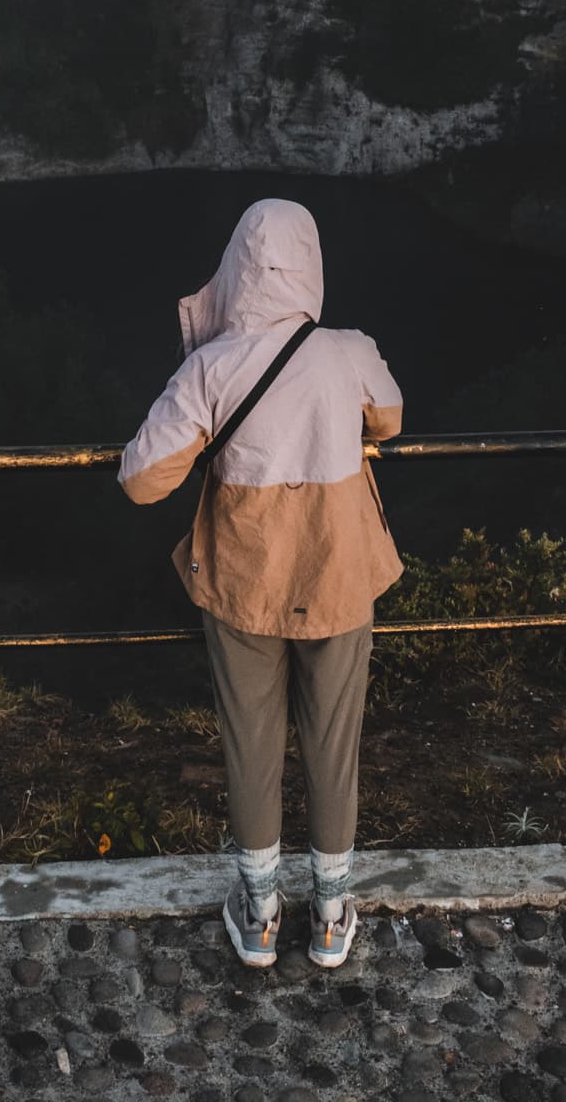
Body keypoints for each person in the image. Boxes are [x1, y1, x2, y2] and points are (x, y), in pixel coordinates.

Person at [118, 197, 404, 969]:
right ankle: (333, 910)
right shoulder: (347, 351)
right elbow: (391, 420)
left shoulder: (210, 367)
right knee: (332, 742)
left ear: (237, 270)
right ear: (310, 267)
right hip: (338, 574)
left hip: (246, 581)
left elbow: (143, 481)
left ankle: (260, 909)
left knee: (250, 742)